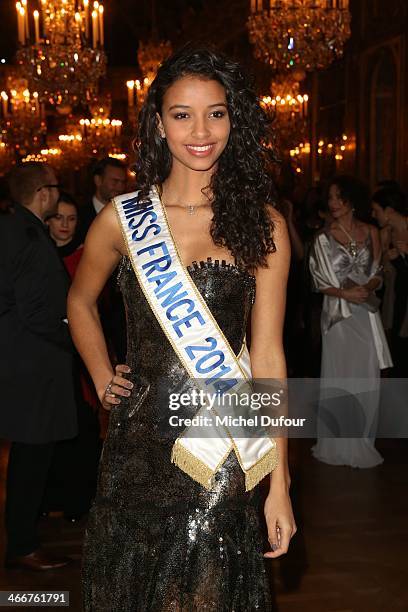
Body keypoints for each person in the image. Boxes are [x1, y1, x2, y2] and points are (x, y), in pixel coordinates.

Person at [68, 47, 296, 610]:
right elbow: (78, 300)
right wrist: (101, 376)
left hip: (219, 447)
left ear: (234, 121)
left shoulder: (263, 225)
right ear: (158, 122)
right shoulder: (123, 218)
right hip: (136, 442)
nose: (201, 131)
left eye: (216, 113)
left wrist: (280, 483)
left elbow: (268, 357)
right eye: (182, 114)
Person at [0, 162, 77, 570]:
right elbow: (35, 311)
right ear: (43, 193)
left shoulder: (10, 227)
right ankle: (23, 544)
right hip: (34, 362)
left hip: (21, 358)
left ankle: (23, 537)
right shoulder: (29, 235)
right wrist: (76, 336)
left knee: (30, 456)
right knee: (32, 458)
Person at [309, 175, 393, 468]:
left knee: (366, 377)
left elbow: (379, 272)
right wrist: (346, 293)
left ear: (351, 200)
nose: (332, 203)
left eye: (337, 197)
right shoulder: (323, 238)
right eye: (329, 198)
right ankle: (336, 444)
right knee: (339, 377)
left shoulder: (371, 232)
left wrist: (367, 289)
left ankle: (362, 442)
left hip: (366, 315)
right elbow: (319, 281)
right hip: (338, 318)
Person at [43, 193, 101, 520]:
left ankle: (78, 503)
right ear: (48, 220)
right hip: (48, 359)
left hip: (80, 358)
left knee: (82, 430)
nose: (65, 225)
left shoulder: (87, 257)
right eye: (58, 218)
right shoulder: (36, 255)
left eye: (71, 219)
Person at [78, 157, 128, 363]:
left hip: (121, 309)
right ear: (98, 181)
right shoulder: (78, 216)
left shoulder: (130, 217)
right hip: (90, 304)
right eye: (114, 181)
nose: (119, 187)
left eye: (122, 182)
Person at [371, 187, 408, 376]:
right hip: (394, 300)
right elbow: (381, 272)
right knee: (393, 356)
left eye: (376, 210)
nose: (373, 214)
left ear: (390, 211)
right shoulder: (385, 235)